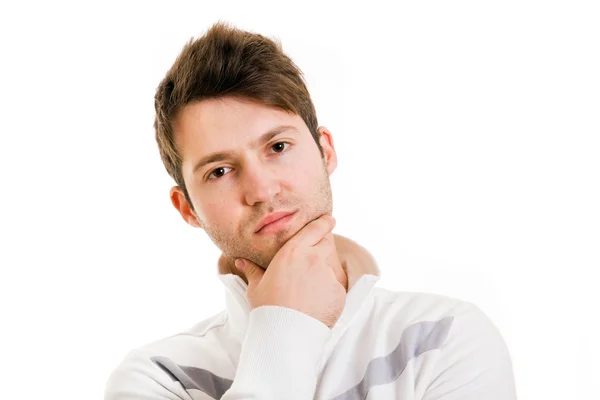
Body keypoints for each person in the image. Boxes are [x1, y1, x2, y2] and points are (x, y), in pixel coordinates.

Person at [104, 22, 517, 400]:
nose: (262, 189)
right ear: (187, 208)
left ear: (326, 151)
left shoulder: (442, 338)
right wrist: (284, 328)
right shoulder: (158, 379)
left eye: (278, 147)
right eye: (220, 170)